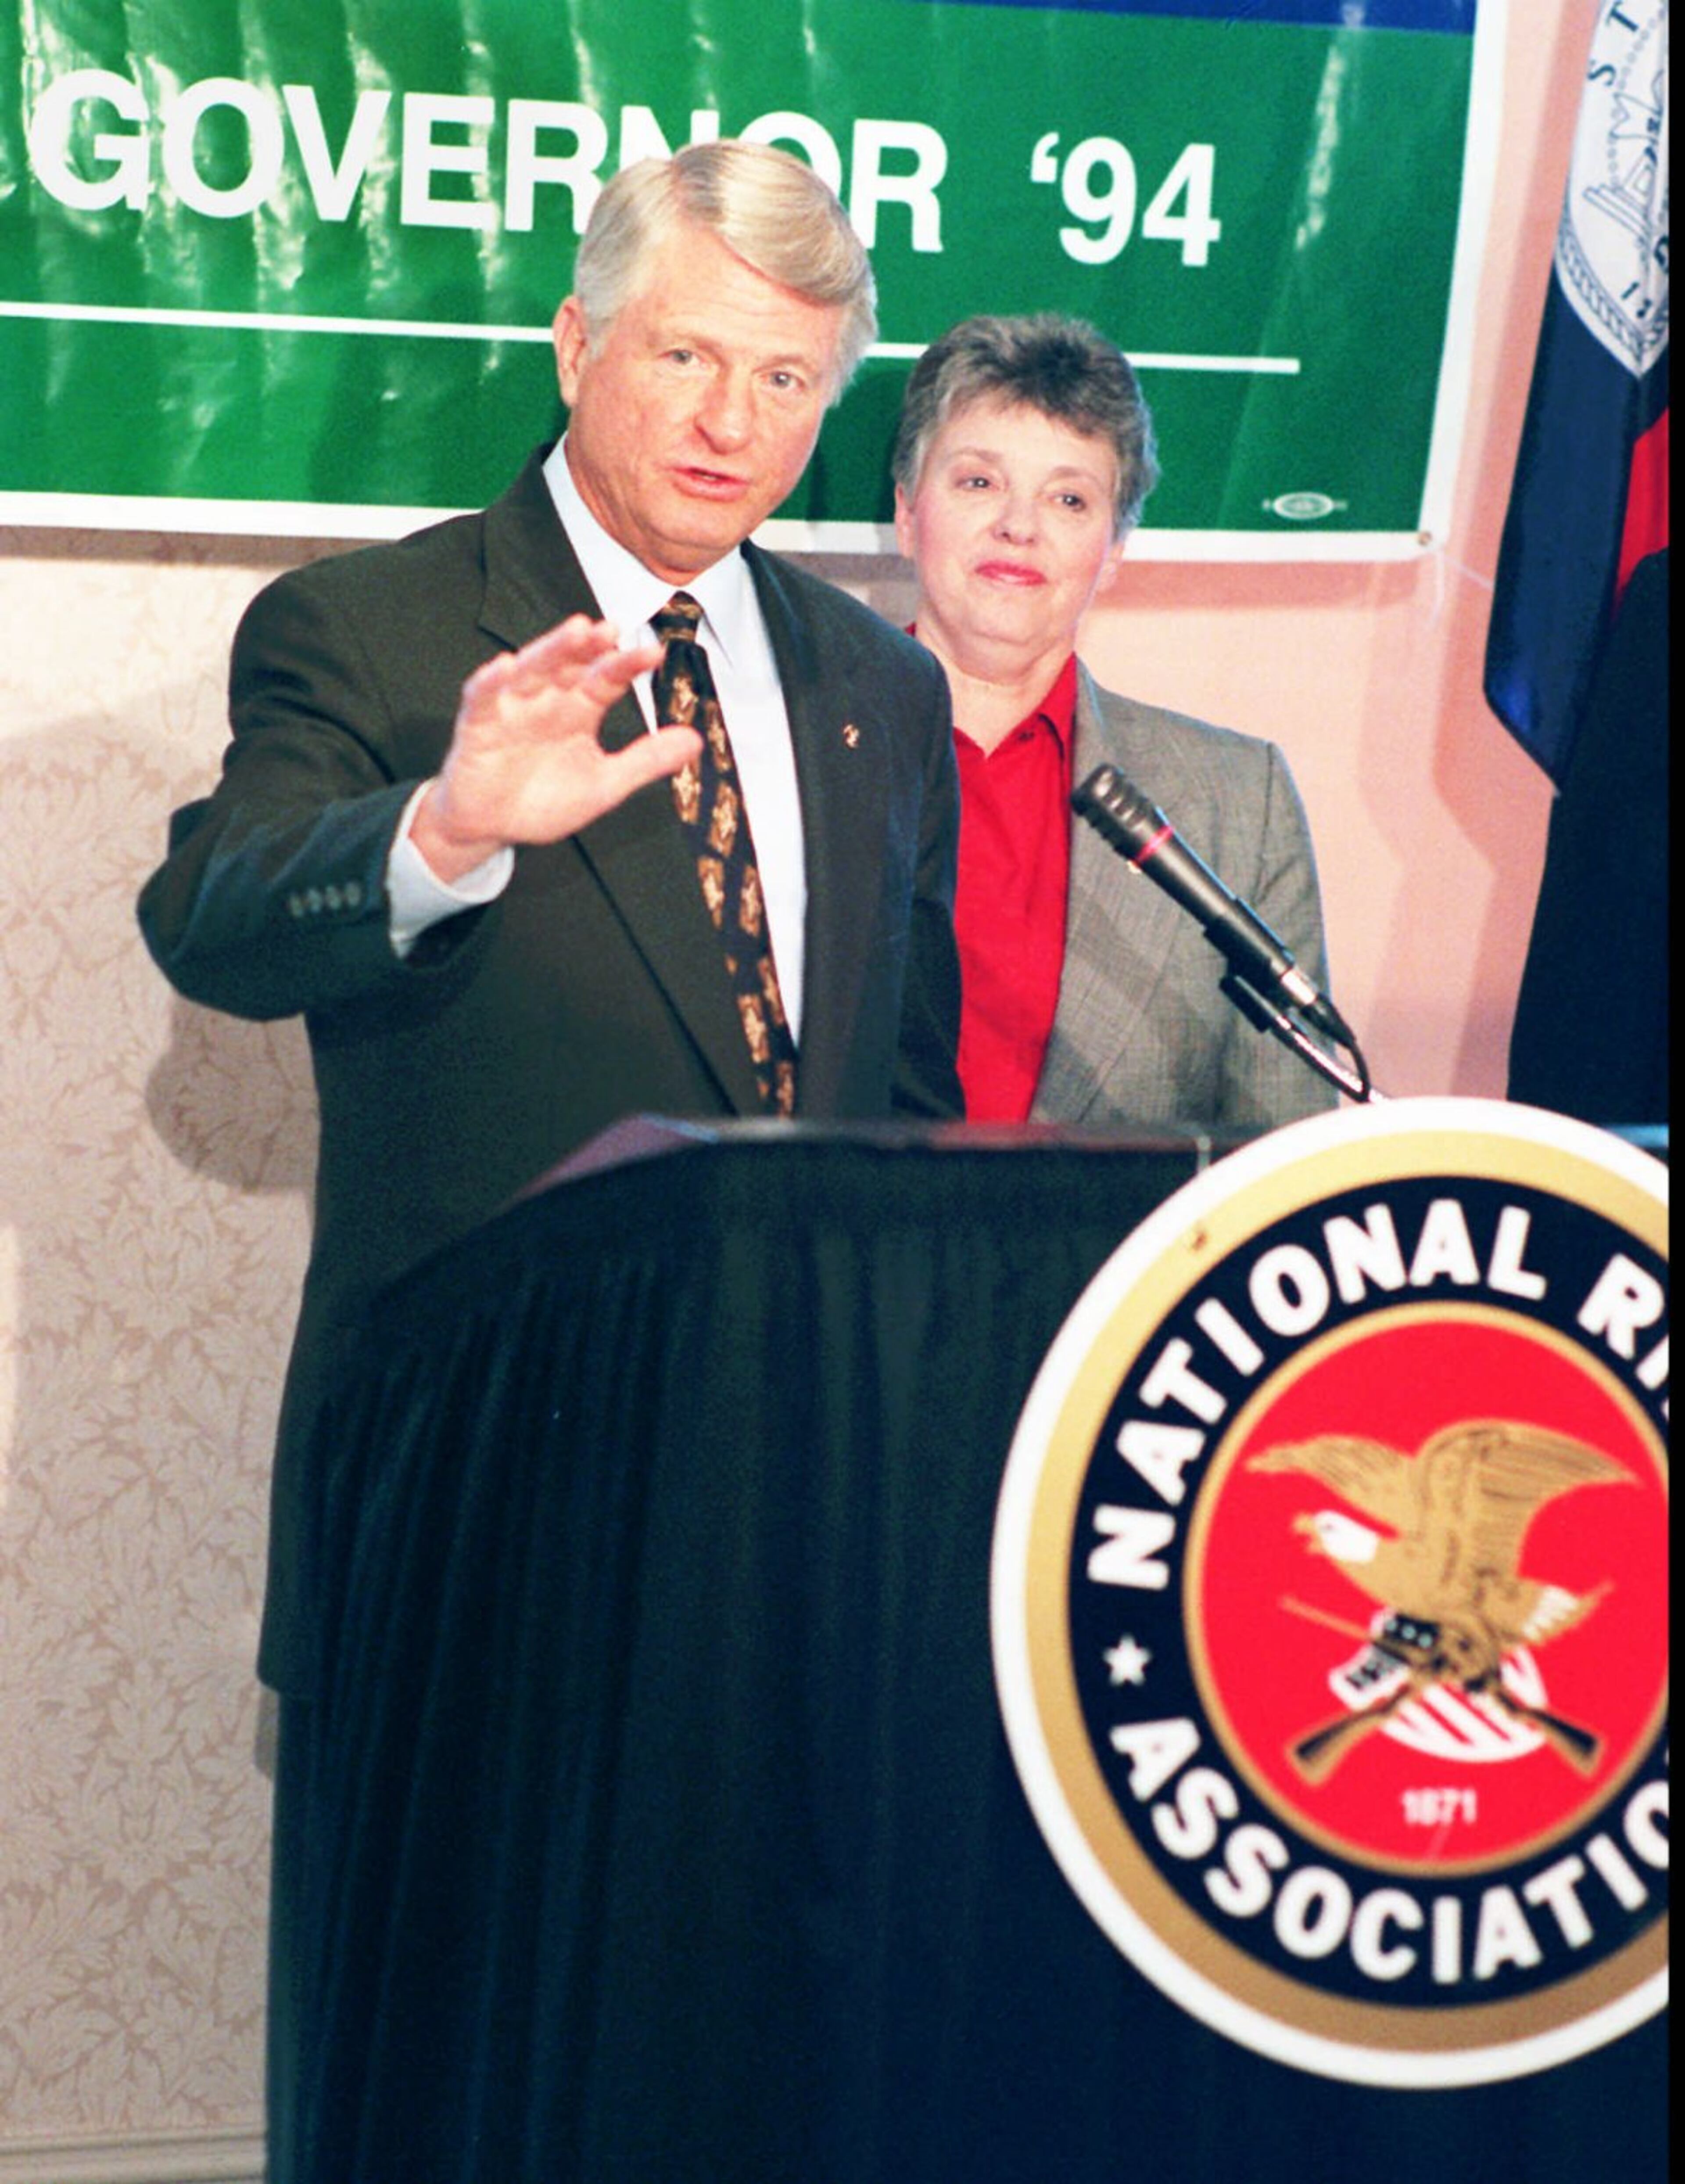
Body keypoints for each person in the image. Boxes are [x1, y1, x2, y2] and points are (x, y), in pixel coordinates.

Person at [137, 138, 962, 2171]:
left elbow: (903, 1102)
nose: (728, 419)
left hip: (797, 1545)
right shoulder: (382, 628)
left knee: (747, 2088)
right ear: (579, 340)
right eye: (687, 354)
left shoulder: (876, 684)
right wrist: (439, 830)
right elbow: (214, 914)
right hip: (476, 1509)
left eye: (784, 379)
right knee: (440, 2093)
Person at [891, 313, 1336, 1129]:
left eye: (1068, 498)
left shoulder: (1242, 803)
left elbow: (1285, 1144)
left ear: (1116, 545)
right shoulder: (790, 750)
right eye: (979, 482)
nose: (1019, 527)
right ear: (908, 512)